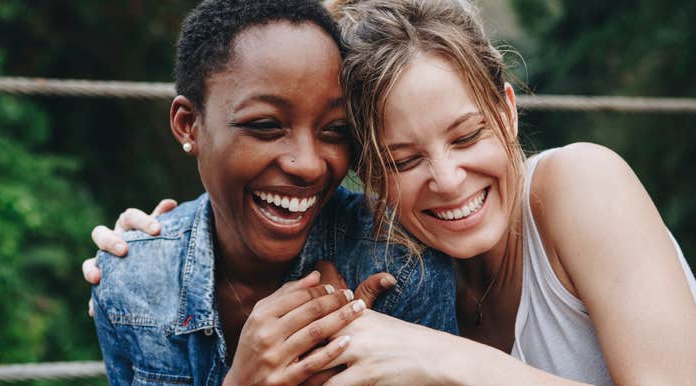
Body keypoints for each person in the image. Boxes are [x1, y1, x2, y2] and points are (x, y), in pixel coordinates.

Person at [90, 0, 696, 385]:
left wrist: (455, 362)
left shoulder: (580, 185)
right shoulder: (404, 262)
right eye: (403, 159)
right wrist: (159, 253)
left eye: (467, 136)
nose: (449, 179)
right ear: (369, 175)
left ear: (507, 112)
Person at [87, 0, 457, 385]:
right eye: (265, 125)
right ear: (188, 125)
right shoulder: (131, 283)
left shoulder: (400, 266)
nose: (309, 164)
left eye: (335, 130)